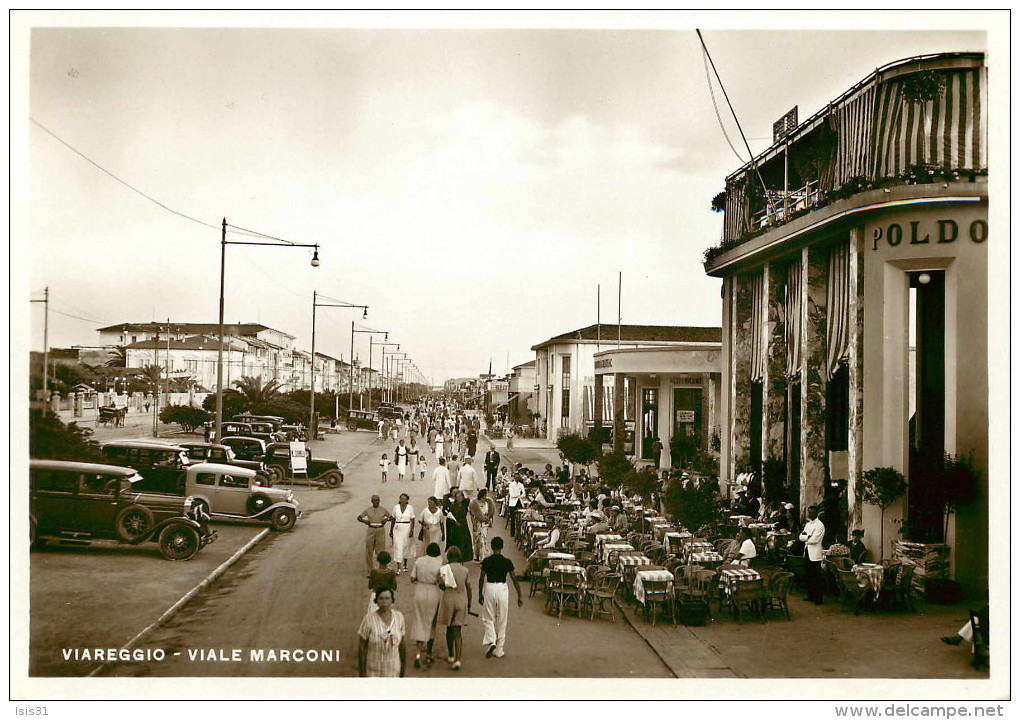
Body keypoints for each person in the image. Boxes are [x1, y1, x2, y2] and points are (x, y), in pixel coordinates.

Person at [478, 536, 523, 659]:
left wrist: (480, 593)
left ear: (491, 547)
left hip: (490, 587)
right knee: (502, 619)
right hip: (502, 589)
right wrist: (519, 595)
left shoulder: (486, 561)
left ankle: (491, 640)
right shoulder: (507, 562)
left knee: (488, 617)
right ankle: (499, 650)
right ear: (502, 547)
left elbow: (481, 578)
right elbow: (514, 578)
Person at [357, 587, 406, 677]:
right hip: (373, 671)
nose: (384, 602)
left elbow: (402, 647)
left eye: (387, 598)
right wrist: (362, 674)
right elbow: (362, 648)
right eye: (381, 598)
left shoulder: (399, 618)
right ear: (376, 601)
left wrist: (403, 671)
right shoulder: (368, 619)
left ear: (392, 601)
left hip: (393, 670)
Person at [437, 546, 472, 671]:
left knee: (449, 629)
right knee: (458, 632)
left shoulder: (443, 569)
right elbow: (468, 588)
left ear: (448, 557)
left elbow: (441, 585)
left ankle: (451, 654)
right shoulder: (465, 570)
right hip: (461, 600)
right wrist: (469, 604)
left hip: (448, 600)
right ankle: (458, 659)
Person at [409, 542, 443, 669]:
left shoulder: (419, 561)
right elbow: (441, 582)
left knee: (419, 620)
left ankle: (418, 653)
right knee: (431, 623)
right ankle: (429, 654)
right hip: (433, 591)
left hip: (420, 590)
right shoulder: (439, 563)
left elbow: (412, 578)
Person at [357, 495, 393, 575]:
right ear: (372, 501)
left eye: (377, 500)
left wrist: (386, 519)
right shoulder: (368, 510)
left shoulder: (383, 510)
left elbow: (391, 517)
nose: (376, 502)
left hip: (380, 530)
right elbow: (359, 517)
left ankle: (381, 569)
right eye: (374, 500)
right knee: (369, 550)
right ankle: (370, 571)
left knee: (380, 551)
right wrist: (364, 521)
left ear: (379, 501)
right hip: (371, 529)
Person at [800, 506, 826, 604]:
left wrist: (806, 537)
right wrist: (807, 536)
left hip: (815, 554)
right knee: (809, 575)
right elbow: (800, 537)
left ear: (817, 513)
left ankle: (819, 599)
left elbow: (814, 540)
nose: (811, 514)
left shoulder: (820, 525)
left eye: (813, 513)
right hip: (807, 551)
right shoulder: (808, 525)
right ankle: (811, 595)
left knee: (816, 577)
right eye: (809, 512)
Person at [444, 489, 474, 563]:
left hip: (463, 523)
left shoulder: (465, 504)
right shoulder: (452, 505)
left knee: (464, 540)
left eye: (460, 496)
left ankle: (464, 557)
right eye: (457, 496)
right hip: (454, 524)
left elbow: (469, 499)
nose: (459, 498)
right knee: (455, 540)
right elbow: (449, 514)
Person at [390, 493, 416, 574]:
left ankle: (405, 565)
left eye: (404, 499)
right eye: (401, 498)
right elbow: (393, 519)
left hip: (407, 527)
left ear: (407, 500)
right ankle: (398, 567)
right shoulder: (396, 507)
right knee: (398, 546)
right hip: (397, 528)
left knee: (406, 546)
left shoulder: (410, 508)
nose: (403, 500)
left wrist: (412, 530)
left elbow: (412, 519)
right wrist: (391, 530)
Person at [469, 489, 496, 561]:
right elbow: (472, 515)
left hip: (484, 525)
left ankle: (482, 557)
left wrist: (488, 520)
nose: (486, 497)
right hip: (477, 524)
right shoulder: (474, 504)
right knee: (477, 540)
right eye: (484, 496)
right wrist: (474, 524)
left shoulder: (488, 503)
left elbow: (490, 513)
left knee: (482, 541)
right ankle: (477, 554)